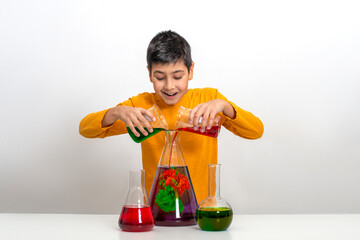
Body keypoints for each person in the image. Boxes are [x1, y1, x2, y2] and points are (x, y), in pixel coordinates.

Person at [79, 30, 264, 203]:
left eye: (177, 76)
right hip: (158, 210)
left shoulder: (209, 100)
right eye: (160, 77)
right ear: (149, 74)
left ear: (191, 71)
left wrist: (226, 107)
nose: (169, 86)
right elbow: (85, 129)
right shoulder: (140, 106)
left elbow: (256, 131)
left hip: (203, 210)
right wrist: (117, 112)